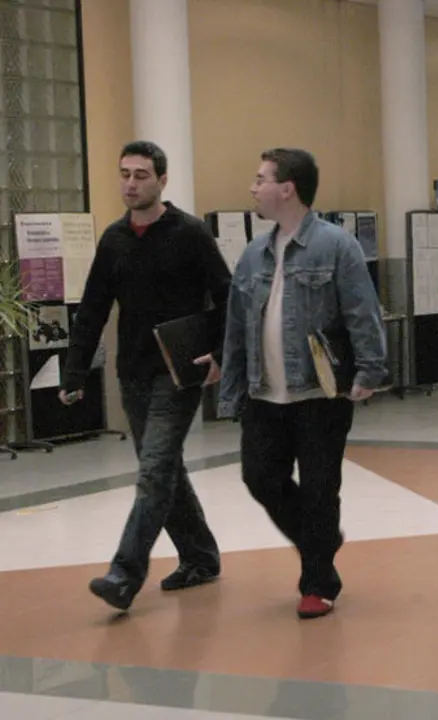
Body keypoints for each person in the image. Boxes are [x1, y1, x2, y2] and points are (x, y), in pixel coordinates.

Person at [219, 148, 387, 619]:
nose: (253, 188)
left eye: (261, 179)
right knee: (259, 476)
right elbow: (236, 329)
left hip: (319, 393)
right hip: (264, 394)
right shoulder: (253, 254)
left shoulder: (337, 245)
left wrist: (370, 370)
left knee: (318, 488)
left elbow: (362, 312)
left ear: (287, 188)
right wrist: (231, 389)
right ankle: (322, 539)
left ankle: (318, 581)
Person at [60, 140, 227, 611]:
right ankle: (200, 556)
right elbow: (93, 309)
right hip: (132, 372)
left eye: (140, 175)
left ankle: (124, 573)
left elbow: (227, 295)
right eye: (125, 175)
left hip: (180, 372)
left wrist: (220, 354)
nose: (130, 184)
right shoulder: (114, 239)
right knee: (165, 468)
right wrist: (75, 372)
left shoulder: (191, 234)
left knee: (154, 471)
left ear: (162, 181)